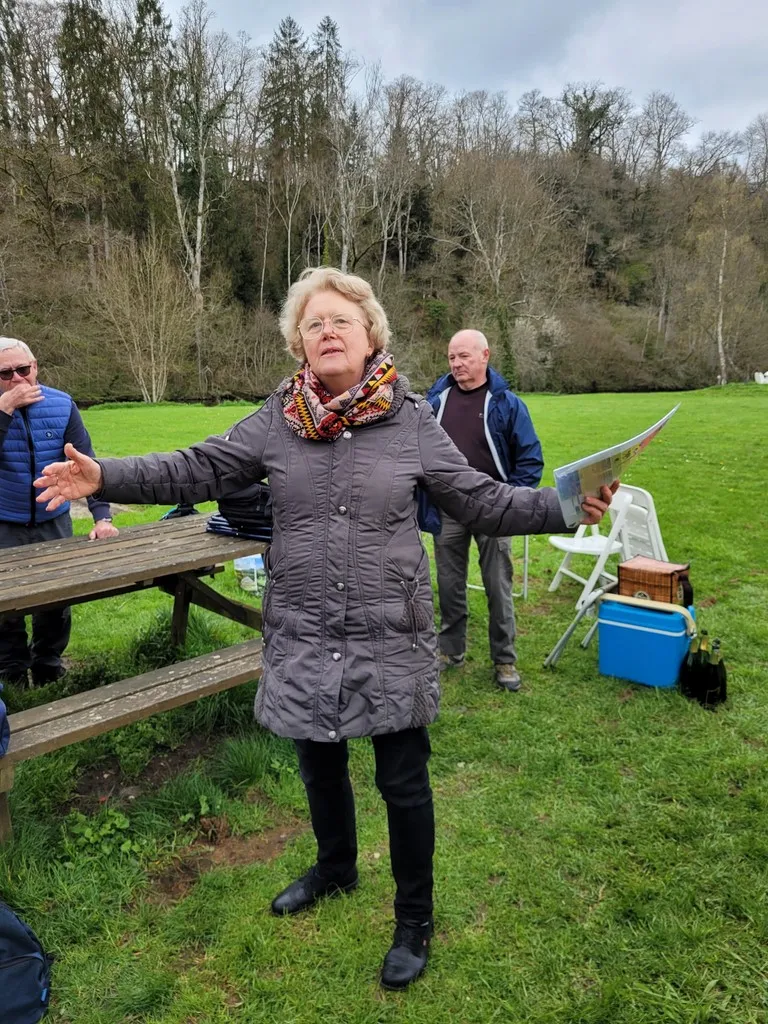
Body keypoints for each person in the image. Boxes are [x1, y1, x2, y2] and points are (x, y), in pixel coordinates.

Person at [34, 268, 616, 990]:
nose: (328, 331)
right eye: (314, 323)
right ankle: (336, 868)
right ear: (298, 343)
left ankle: (414, 918)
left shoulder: (412, 421)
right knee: (318, 762)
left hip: (390, 633)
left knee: (404, 782)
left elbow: (482, 500)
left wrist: (564, 506)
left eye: (342, 320)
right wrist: (105, 477)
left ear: (371, 337)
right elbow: (198, 468)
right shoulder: (275, 420)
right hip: (304, 627)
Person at [426, 330, 542, 692]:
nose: (457, 364)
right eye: (452, 357)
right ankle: (451, 651)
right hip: (449, 506)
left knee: (497, 584)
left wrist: (509, 502)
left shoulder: (507, 404)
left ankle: (504, 659)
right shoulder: (436, 401)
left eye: (464, 356)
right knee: (449, 584)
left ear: (485, 356)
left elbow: (530, 459)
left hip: (494, 508)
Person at [0, 337, 118, 688]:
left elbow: (86, 463)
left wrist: (102, 517)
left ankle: (48, 664)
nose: (17, 379)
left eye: (23, 369)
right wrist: (3, 411)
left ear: (35, 367)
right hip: (4, 521)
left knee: (56, 599)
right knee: (5, 604)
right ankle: (11, 671)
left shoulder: (62, 404)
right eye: (5, 373)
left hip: (53, 518)